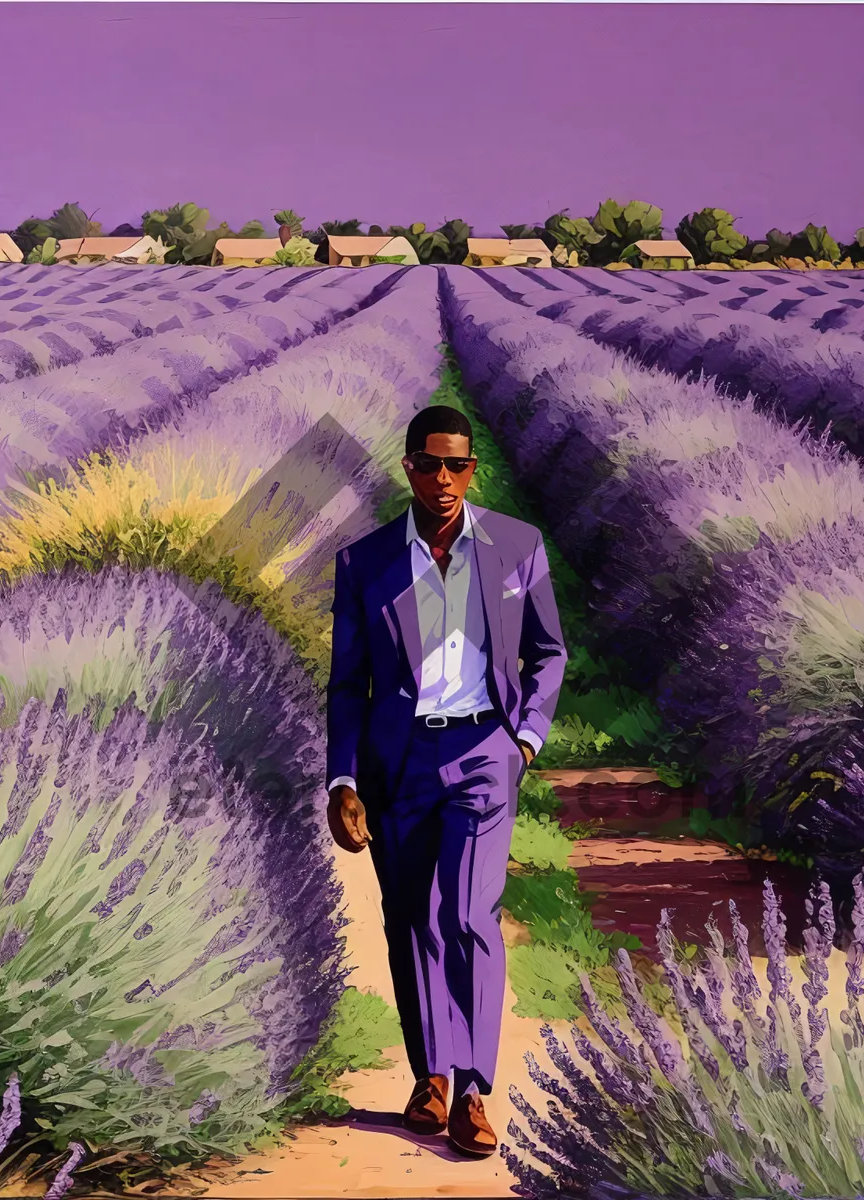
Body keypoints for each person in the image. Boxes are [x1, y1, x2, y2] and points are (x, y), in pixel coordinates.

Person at [325, 404, 567, 1157]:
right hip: (398, 764)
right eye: (429, 464)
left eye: (457, 465)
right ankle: (429, 1073)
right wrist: (341, 780)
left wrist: (523, 740)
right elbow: (346, 685)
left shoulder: (516, 547)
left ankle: (470, 1090)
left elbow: (547, 652)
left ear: (473, 470)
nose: (443, 479)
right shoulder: (364, 563)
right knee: (410, 921)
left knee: (466, 915)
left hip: (483, 757)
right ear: (408, 467)